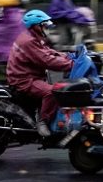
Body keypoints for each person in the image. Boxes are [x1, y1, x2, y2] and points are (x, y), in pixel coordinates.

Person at [6, 9, 73, 137]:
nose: (48, 27)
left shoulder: (33, 37)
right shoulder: (28, 41)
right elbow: (47, 60)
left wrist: (68, 56)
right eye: (45, 25)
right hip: (25, 80)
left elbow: (47, 51)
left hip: (29, 76)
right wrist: (70, 65)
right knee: (53, 92)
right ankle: (43, 122)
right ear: (35, 26)